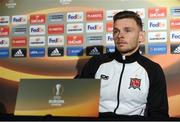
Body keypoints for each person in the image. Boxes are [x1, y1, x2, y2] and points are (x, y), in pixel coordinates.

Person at [78, 11, 169, 119]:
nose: (120, 35)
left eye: (127, 30)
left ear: (141, 36)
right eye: (116, 31)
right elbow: (80, 105)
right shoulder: (96, 63)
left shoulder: (153, 70)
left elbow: (159, 114)